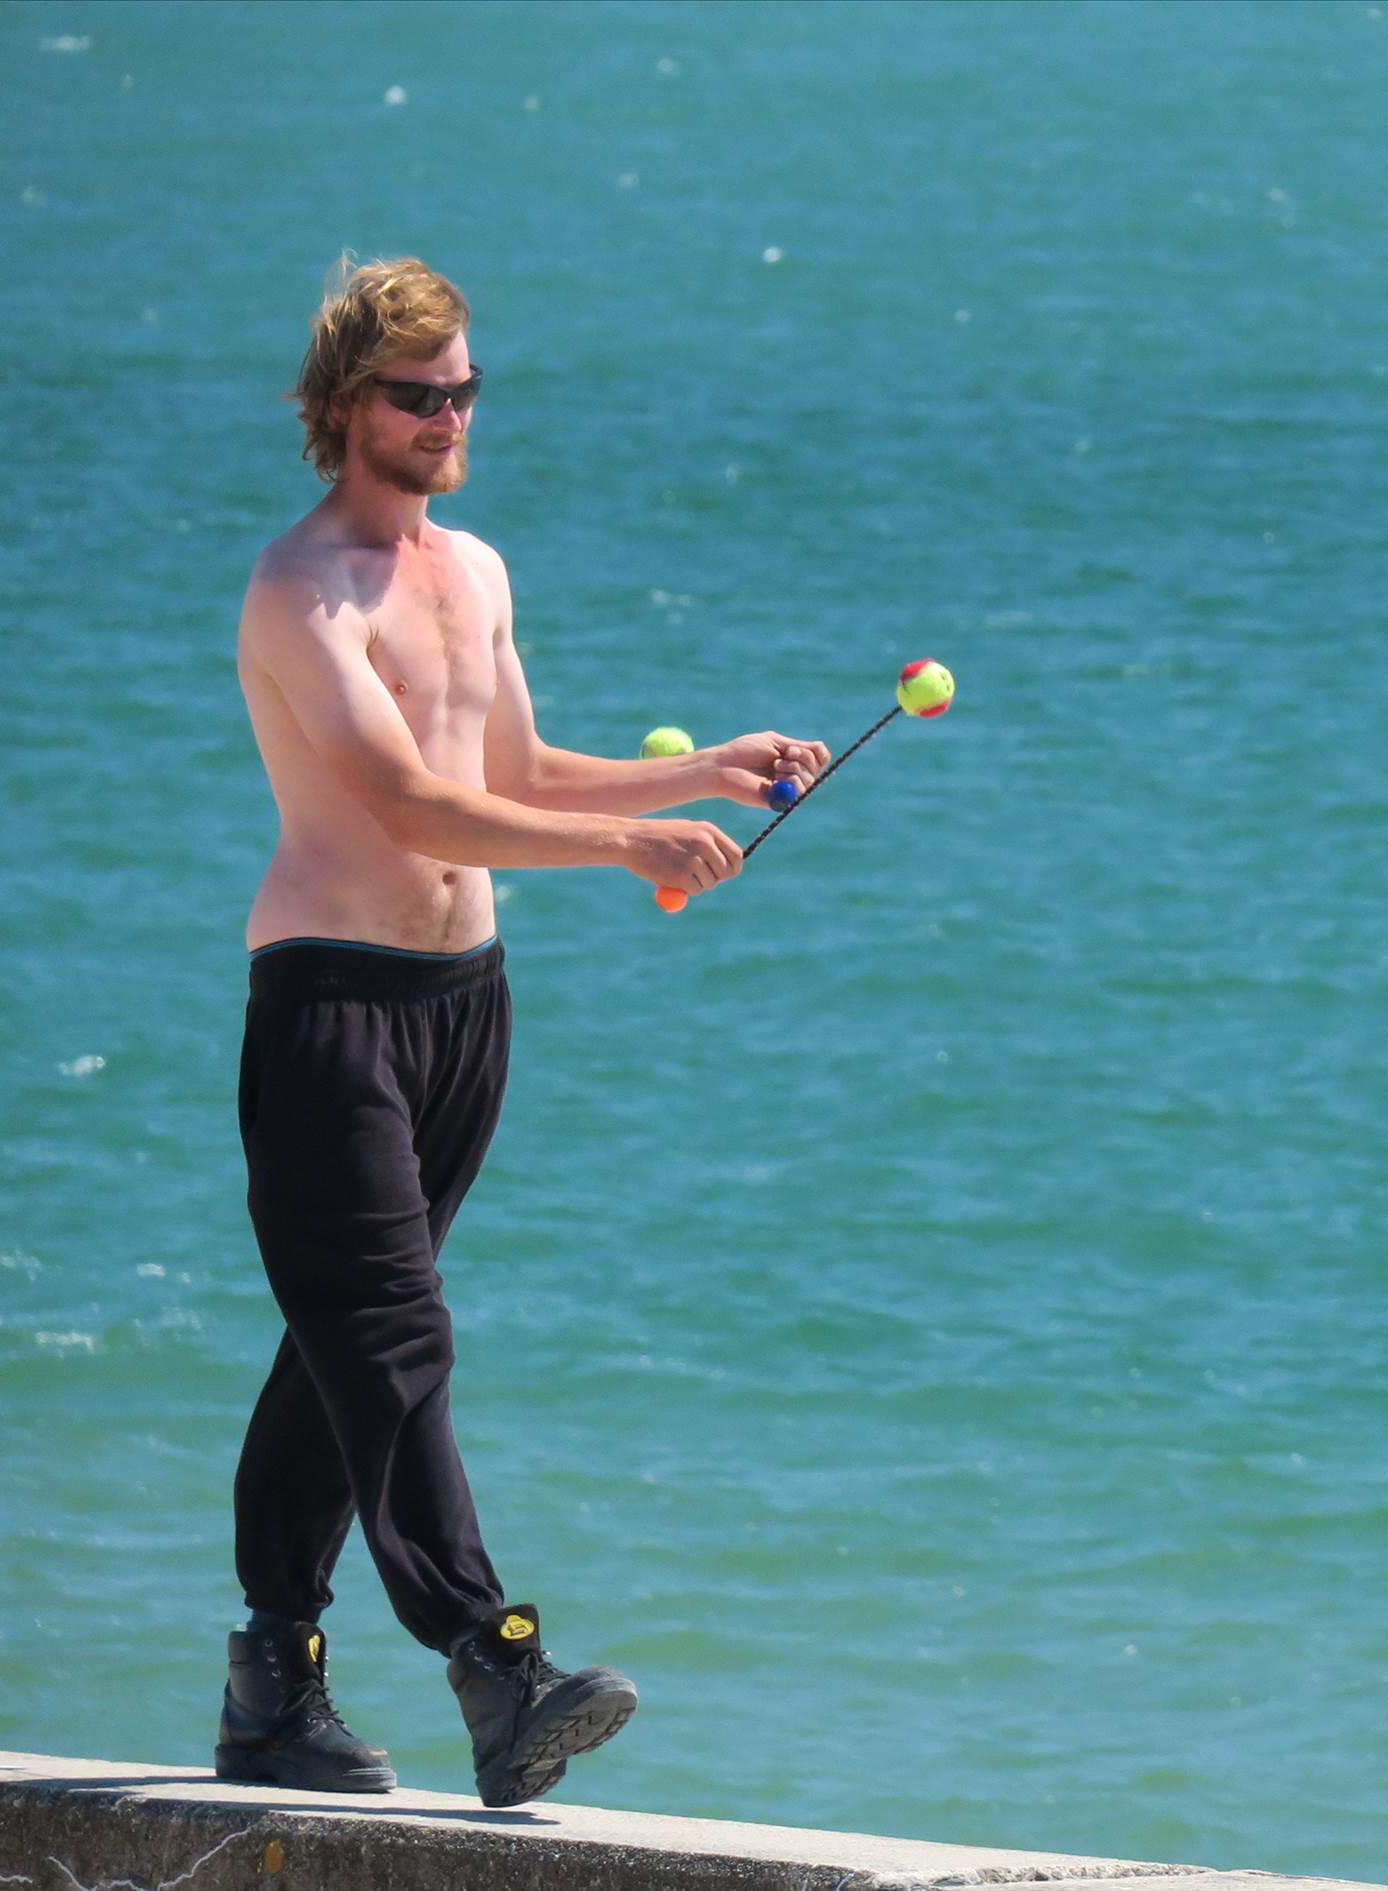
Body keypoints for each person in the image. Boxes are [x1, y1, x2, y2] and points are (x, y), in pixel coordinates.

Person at [217, 255, 826, 1808]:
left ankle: (272, 1676)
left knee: (348, 1335)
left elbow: (515, 771)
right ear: (345, 405)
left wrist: (699, 770)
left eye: (466, 391)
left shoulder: (473, 572)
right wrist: (629, 852)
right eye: (420, 396)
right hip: (333, 1003)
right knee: (390, 1327)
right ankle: (497, 1664)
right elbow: (410, 802)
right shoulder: (299, 588)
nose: (451, 418)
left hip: (462, 1008)